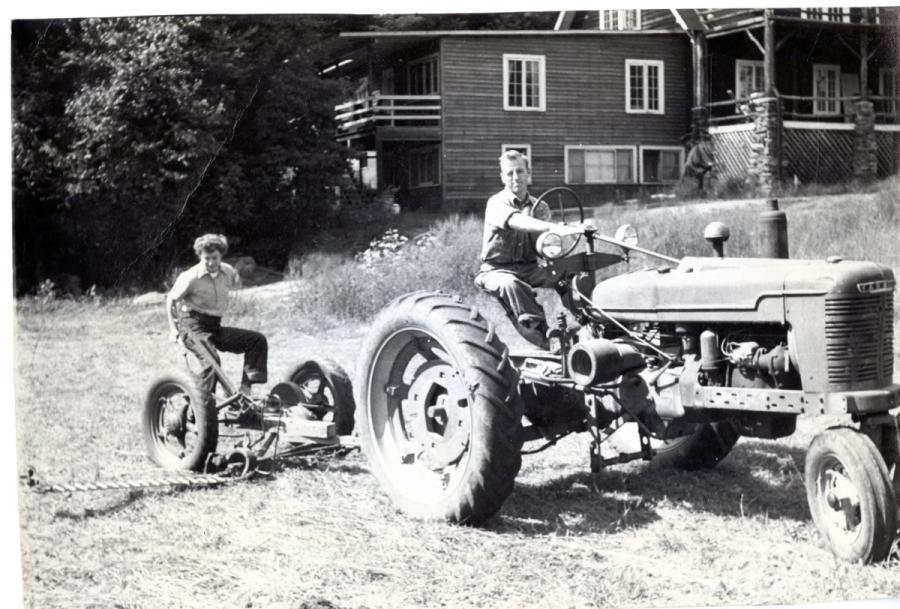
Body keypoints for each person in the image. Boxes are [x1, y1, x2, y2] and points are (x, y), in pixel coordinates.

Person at [474, 150, 580, 349]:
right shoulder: (496, 203)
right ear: (502, 177)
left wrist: (566, 235)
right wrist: (552, 227)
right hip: (496, 270)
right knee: (511, 284)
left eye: (520, 171)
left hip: (530, 269)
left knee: (569, 276)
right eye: (510, 173)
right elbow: (516, 221)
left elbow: (544, 244)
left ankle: (587, 325)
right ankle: (547, 338)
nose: (515, 178)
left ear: (528, 173)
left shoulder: (540, 207)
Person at [166, 233, 267, 396]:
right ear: (200, 256)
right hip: (192, 326)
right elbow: (170, 299)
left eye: (215, 257)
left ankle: (245, 392)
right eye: (207, 258)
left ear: (221, 256)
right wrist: (173, 329)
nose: (211, 263)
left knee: (256, 341)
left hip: (214, 326)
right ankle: (198, 411)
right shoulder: (190, 277)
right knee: (212, 364)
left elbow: (237, 281)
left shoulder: (227, 271)